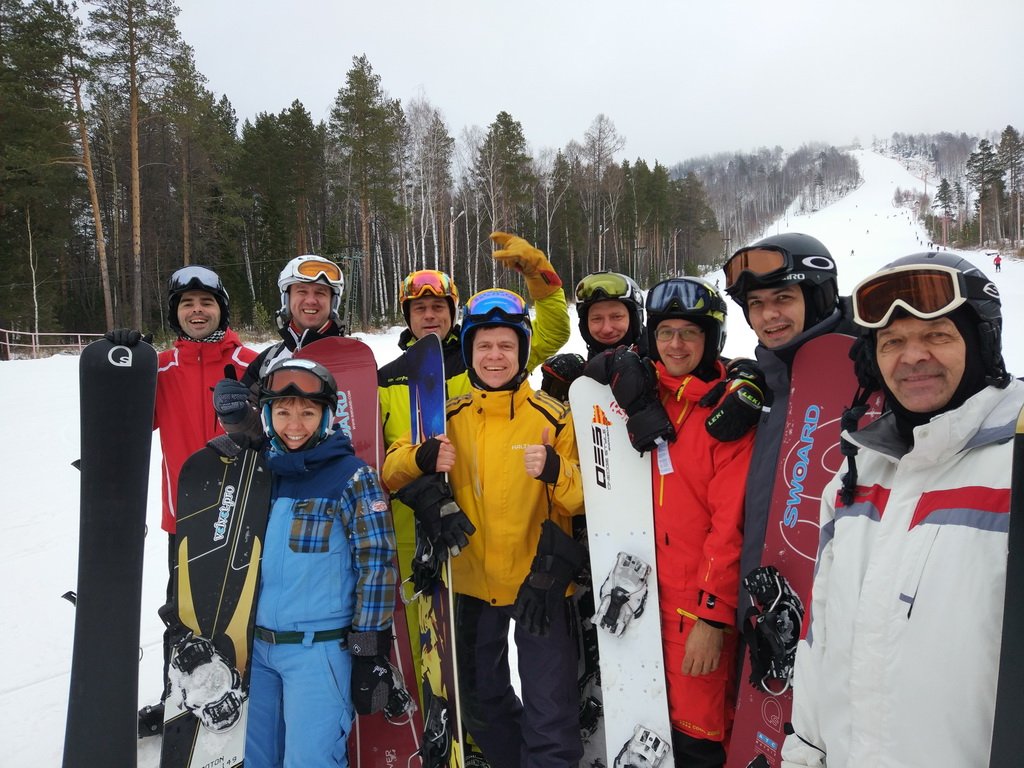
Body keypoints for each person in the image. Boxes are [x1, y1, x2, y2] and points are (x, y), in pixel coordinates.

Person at [782, 252, 1021, 766]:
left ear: (981, 344)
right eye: (892, 342)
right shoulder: (857, 475)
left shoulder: (1010, 466)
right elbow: (822, 635)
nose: (912, 357)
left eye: (937, 335)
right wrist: (805, 752)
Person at [382, 288, 585, 768]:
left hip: (539, 586)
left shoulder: (554, 417)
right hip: (470, 585)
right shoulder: (446, 415)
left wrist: (556, 470)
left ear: (522, 350)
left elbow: (582, 500)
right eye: (484, 346)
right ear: (470, 352)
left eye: (506, 346)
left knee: (550, 711)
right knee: (479, 704)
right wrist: (421, 457)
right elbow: (390, 471)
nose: (495, 356)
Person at [376, 234, 571, 685]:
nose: (430, 315)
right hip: (414, 526)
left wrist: (540, 277)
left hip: (480, 532)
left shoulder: (485, 358)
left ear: (452, 313)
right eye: (420, 309)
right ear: (407, 316)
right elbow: (381, 456)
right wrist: (415, 478)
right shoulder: (386, 380)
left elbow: (552, 333)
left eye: (438, 307)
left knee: (482, 667)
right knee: (437, 652)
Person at [585, 277, 754, 766]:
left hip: (691, 612)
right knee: (641, 734)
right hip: (635, 604)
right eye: (665, 332)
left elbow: (730, 527)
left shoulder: (725, 414)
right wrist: (610, 364)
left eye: (689, 333)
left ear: (711, 340)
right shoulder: (640, 392)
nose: (675, 345)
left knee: (696, 740)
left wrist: (712, 618)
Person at [105, 265, 258, 736]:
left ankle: (255, 691)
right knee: (182, 614)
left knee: (247, 609)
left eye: (206, 302)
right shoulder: (161, 368)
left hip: (248, 513)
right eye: (187, 304)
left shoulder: (252, 363)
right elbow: (127, 420)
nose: (197, 311)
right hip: (186, 518)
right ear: (175, 313)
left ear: (221, 310)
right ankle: (175, 700)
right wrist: (122, 364)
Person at [246, 357, 398, 768]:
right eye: (283, 412)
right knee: (254, 759)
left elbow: (377, 565)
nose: (294, 425)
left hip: (318, 652)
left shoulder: (353, 477)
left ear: (328, 417)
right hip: (256, 650)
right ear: (267, 417)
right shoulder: (259, 474)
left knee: (310, 761)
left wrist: (368, 652)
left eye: (308, 413)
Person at [722, 233, 854, 621]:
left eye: (783, 298)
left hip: (836, 621)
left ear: (817, 298)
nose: (768, 316)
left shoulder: (870, 380)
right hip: (762, 611)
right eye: (756, 304)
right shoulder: (768, 383)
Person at [214, 254, 345, 436]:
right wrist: (235, 415)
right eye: (302, 291)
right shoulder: (267, 361)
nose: (311, 300)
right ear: (287, 299)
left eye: (320, 293)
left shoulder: (355, 359)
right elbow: (253, 435)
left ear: (333, 302)